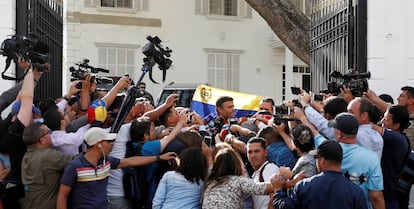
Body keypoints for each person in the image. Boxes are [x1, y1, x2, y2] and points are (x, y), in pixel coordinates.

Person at [56, 127, 177, 209]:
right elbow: (63, 195)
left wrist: (158, 158)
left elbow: (130, 161)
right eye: (108, 141)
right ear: (98, 144)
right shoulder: (75, 167)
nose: (111, 144)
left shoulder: (106, 161)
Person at [272, 140, 368, 209]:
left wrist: (278, 190)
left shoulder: (304, 186)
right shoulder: (355, 191)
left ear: (322, 161)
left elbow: (285, 207)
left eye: (316, 158)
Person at [21, 123, 75, 209]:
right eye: (48, 132)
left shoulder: (26, 157)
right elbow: (75, 161)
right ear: (42, 140)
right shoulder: (47, 156)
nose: (51, 134)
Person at [201, 148, 273, 209]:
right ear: (236, 164)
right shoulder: (237, 181)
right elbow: (265, 188)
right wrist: (281, 181)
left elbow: (210, 167)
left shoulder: (210, 182)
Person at [246, 137, 279, 209]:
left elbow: (274, 196)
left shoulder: (270, 168)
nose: (253, 155)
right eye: (250, 152)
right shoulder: (255, 175)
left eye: (257, 151)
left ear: (265, 152)